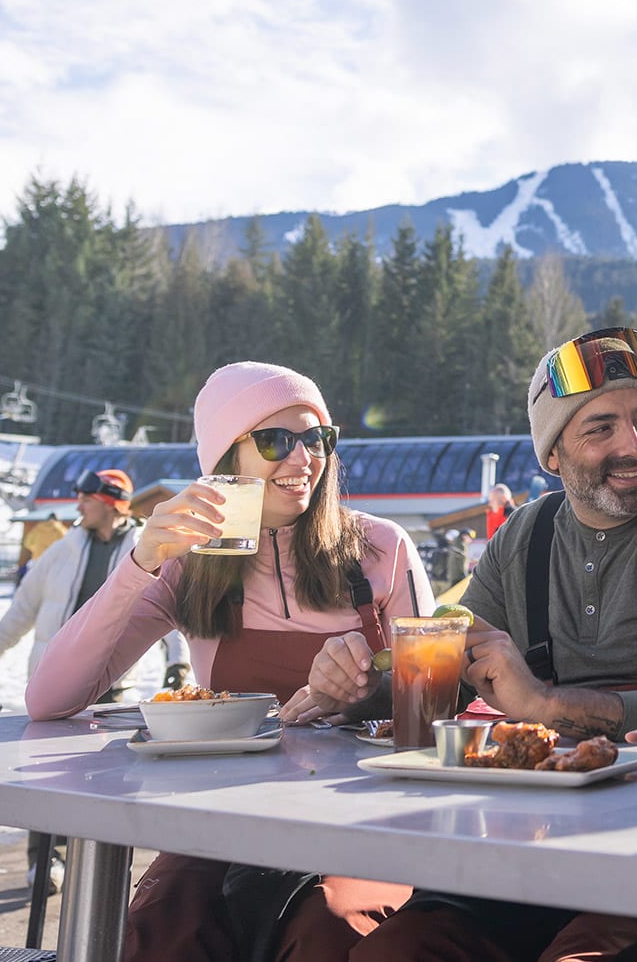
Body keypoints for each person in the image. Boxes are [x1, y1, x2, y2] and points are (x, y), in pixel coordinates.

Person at [286, 326, 637, 960]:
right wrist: (350, 691)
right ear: (552, 454)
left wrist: (541, 705)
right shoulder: (524, 538)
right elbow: (443, 673)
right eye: (600, 429)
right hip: (525, 847)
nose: (634, 445)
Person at [25, 362, 430, 962]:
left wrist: (368, 687)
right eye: (275, 441)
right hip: (218, 815)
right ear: (222, 461)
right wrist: (137, 566)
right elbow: (51, 697)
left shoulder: (381, 549)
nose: (303, 459)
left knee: (331, 934)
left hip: (359, 818)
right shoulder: (187, 564)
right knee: (162, 932)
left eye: (316, 438)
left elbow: (438, 705)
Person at [0, 470, 190, 701]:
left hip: (109, 686)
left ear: (110, 504)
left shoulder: (144, 554)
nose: (79, 508)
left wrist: (178, 662)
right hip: (53, 680)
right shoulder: (61, 551)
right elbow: (22, 608)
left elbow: (163, 611)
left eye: (86, 500)